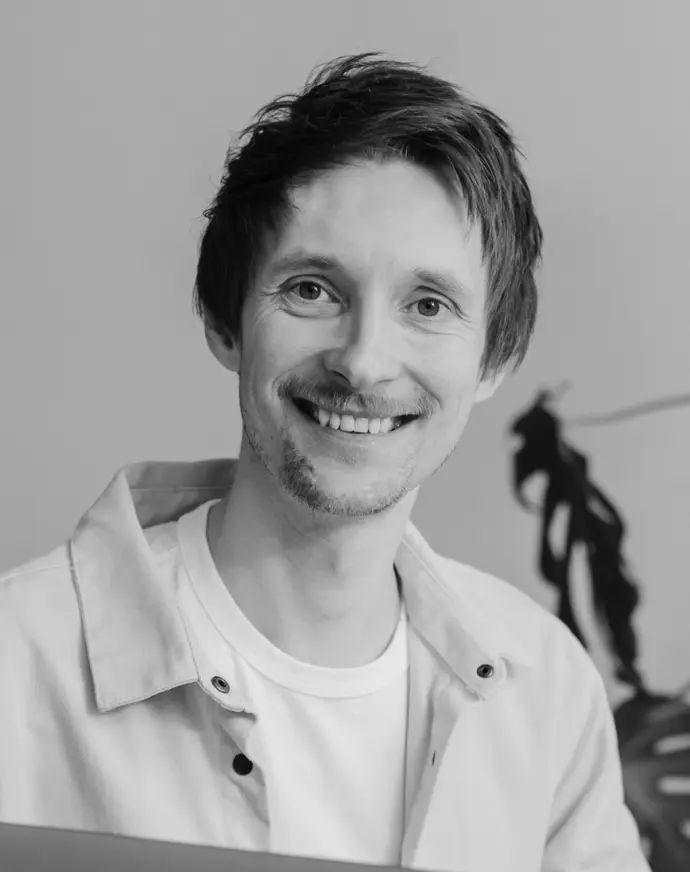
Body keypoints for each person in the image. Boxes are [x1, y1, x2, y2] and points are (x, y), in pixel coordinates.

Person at [0, 53, 650, 871]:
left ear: (494, 360)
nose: (364, 363)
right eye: (312, 290)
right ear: (225, 321)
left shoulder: (547, 687)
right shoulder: (17, 662)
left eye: (428, 305)